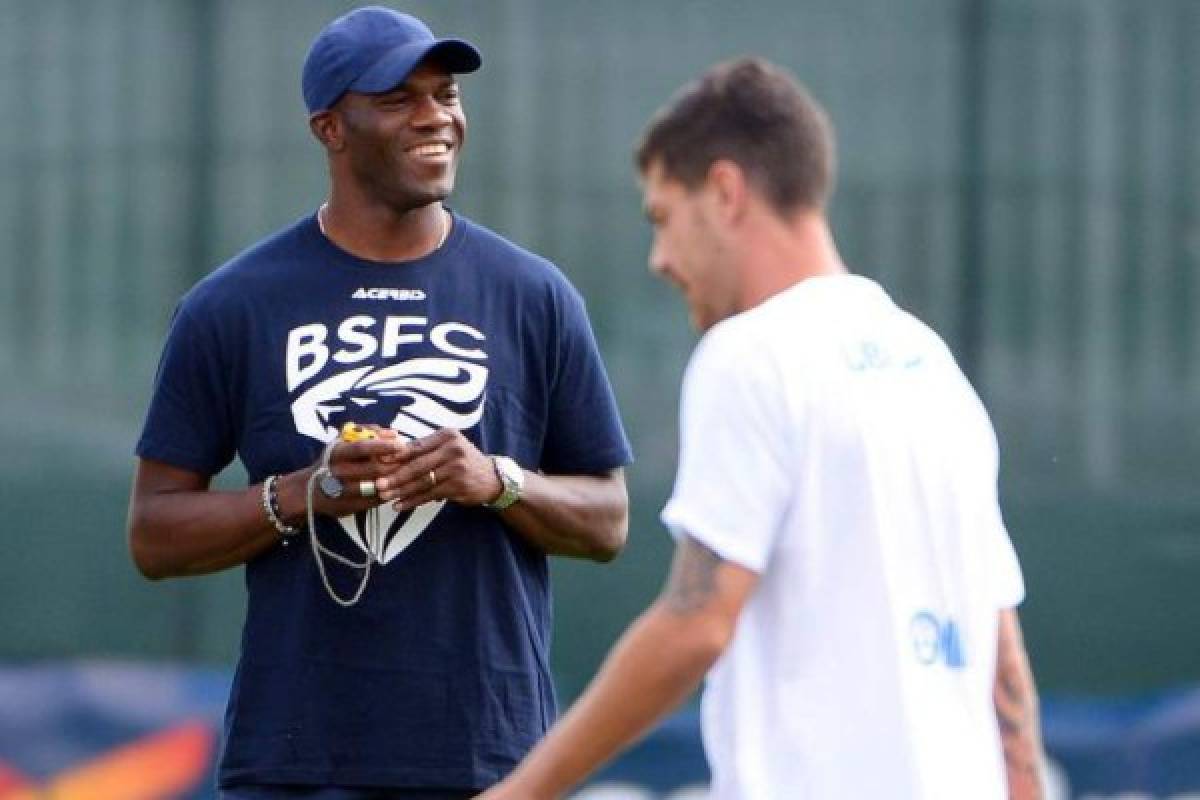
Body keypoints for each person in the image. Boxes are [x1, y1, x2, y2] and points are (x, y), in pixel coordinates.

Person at [479, 58, 1044, 800]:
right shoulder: (936, 371)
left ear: (723, 191)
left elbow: (695, 622)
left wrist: (518, 792)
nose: (660, 259)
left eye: (662, 217)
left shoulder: (749, 355)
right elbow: (1004, 657)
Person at [127, 6, 632, 799]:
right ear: (331, 128)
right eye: (399, 98)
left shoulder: (533, 296)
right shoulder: (232, 305)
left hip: (488, 759)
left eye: (447, 93)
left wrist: (494, 479)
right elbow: (154, 534)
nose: (436, 117)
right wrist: (305, 494)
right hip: (297, 765)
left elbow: (609, 519)